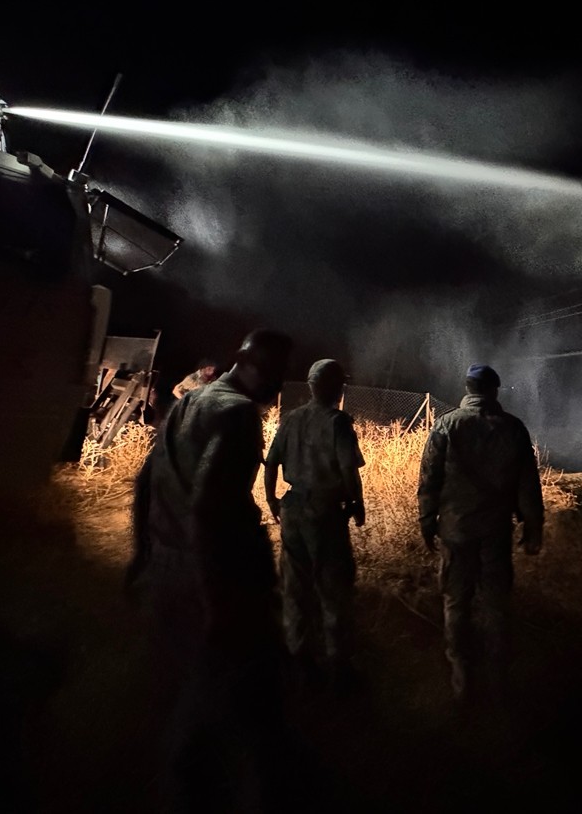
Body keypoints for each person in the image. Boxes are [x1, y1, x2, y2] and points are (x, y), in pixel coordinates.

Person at [127, 329, 292, 813]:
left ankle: (190, 784)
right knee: (237, 693)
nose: (278, 383)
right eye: (277, 372)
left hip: (170, 567)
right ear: (259, 368)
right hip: (220, 577)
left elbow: (147, 479)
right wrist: (218, 599)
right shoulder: (238, 415)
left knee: (195, 684)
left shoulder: (192, 401)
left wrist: (142, 554)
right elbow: (208, 507)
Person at [417, 363, 544, 706]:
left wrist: (428, 521)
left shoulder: (446, 425)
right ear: (494, 390)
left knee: (456, 602)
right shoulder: (513, 429)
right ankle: (499, 680)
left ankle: (462, 679)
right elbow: (528, 485)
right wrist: (534, 527)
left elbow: (429, 478)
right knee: (496, 604)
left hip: (456, 531)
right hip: (496, 532)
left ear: (469, 388)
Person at [264, 358, 367, 694]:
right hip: (324, 512)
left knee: (294, 588)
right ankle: (338, 666)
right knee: (333, 588)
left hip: (293, 509)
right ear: (335, 387)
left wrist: (272, 500)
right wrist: (357, 504)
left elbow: (271, 463)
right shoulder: (337, 422)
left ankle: (299, 661)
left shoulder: (292, 419)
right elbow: (349, 471)